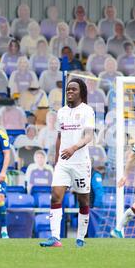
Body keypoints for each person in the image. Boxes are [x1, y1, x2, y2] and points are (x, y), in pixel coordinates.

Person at [39, 78, 95, 248]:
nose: (70, 92)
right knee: (55, 196)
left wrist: (73, 148)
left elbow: (88, 136)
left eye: (73, 90)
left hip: (80, 163)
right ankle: (55, 238)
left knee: (83, 200)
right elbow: (59, 137)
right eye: (68, 90)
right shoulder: (61, 112)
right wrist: (57, 160)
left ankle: (80, 238)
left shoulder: (87, 111)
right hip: (63, 163)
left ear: (81, 92)